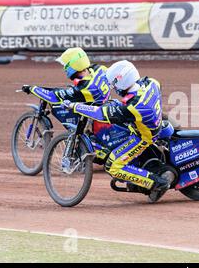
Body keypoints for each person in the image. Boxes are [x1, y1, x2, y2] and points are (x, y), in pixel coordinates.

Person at [63, 60, 176, 202]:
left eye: (114, 84)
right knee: (115, 105)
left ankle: (156, 183)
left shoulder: (133, 106)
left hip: (144, 136)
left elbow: (100, 113)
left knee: (112, 166)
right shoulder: (150, 83)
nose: (113, 88)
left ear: (121, 83)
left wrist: (74, 106)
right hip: (154, 120)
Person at [21, 47, 110, 105]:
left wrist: (33, 89)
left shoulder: (84, 88)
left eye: (65, 65)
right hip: (106, 105)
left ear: (73, 65)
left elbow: (53, 96)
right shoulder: (100, 68)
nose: (64, 68)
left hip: (95, 119)